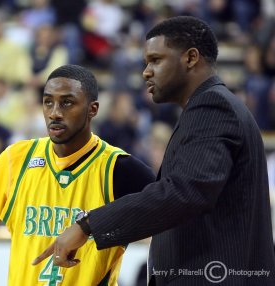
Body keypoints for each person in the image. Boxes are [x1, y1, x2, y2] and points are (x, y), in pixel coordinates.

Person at [33, 16, 275, 285]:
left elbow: (185, 192)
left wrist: (88, 225)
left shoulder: (213, 108)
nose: (146, 71)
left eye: (156, 60)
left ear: (191, 58)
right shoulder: (209, 108)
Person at [0, 64, 155, 285]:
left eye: (67, 103)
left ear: (93, 109)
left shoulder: (119, 168)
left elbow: (173, 214)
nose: (54, 113)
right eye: (48, 102)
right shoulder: (17, 159)